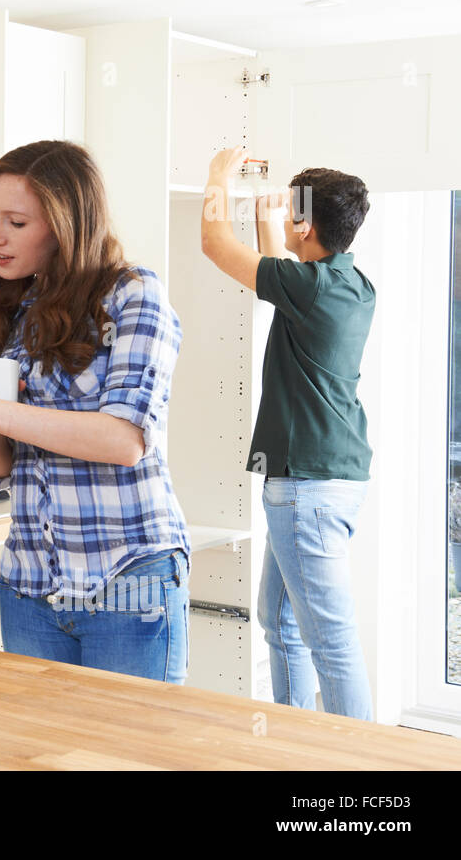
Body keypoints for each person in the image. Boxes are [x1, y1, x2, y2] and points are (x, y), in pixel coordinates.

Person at [0, 140, 191, 682]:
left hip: (126, 581)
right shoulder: (18, 308)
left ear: (65, 224)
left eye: (15, 221)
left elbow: (123, 440)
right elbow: (1, 469)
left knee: (128, 758)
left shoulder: (133, 296)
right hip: (31, 587)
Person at [199, 145, 375, 720]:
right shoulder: (349, 283)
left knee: (331, 641)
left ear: (306, 224)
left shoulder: (312, 287)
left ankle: (361, 764)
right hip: (328, 478)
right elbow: (282, 279)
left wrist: (217, 179)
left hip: (306, 488)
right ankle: (298, 740)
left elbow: (214, 247)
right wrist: (270, 222)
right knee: (280, 623)